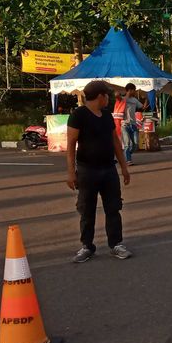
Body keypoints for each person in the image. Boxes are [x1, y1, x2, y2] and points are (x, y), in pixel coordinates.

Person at [66, 80, 132, 263]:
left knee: (113, 208)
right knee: (87, 209)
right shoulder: (78, 115)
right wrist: (71, 172)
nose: (108, 99)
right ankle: (87, 246)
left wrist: (124, 168)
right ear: (100, 96)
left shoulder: (106, 116)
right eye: (107, 95)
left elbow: (116, 143)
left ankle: (116, 244)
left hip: (108, 169)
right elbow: (71, 145)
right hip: (87, 170)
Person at [121, 83, 144, 165]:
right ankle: (128, 160)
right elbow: (116, 95)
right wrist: (126, 95)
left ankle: (127, 155)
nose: (135, 91)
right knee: (127, 143)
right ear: (130, 90)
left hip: (133, 124)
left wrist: (147, 99)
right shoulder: (122, 99)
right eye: (134, 90)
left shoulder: (135, 100)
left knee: (135, 144)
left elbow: (142, 107)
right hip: (124, 124)